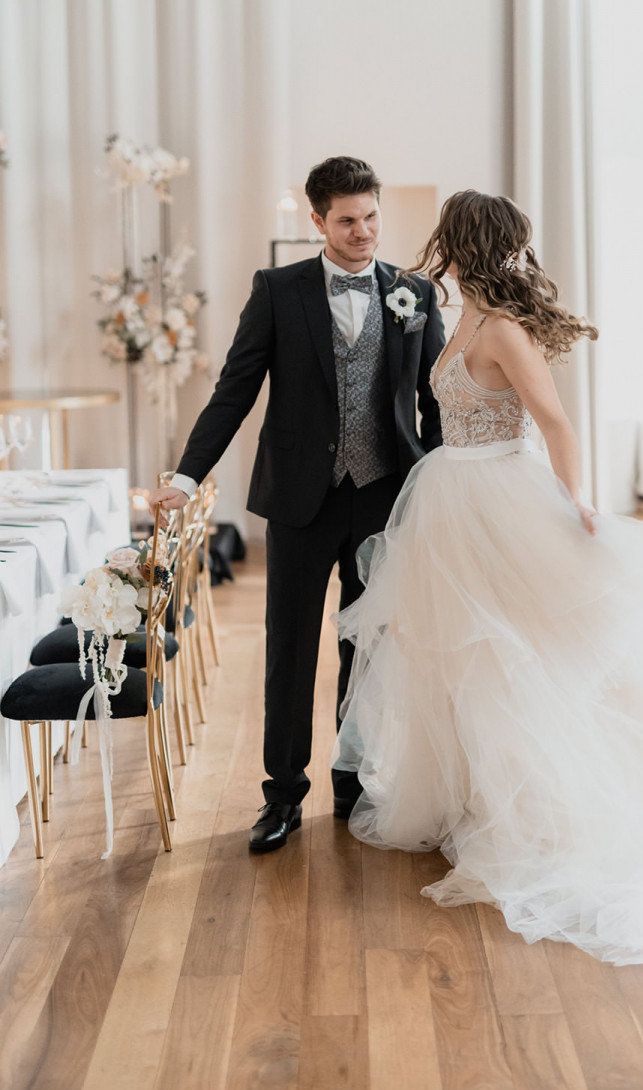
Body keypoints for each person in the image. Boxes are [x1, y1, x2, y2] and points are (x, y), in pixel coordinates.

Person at [333, 189, 643, 969]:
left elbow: (555, 421)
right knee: (457, 664)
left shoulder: (501, 327)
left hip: (498, 499)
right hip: (449, 500)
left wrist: (576, 500)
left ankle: (528, 817)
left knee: (511, 662)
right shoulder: (464, 315)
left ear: (463, 243)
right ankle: (474, 803)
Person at [148, 156, 445, 852]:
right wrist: (187, 478)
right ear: (318, 221)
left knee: (365, 647)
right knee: (290, 649)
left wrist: (439, 480)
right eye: (347, 221)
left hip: (384, 497)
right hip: (298, 500)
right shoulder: (278, 290)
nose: (363, 231)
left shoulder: (414, 293)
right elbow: (234, 390)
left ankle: (351, 781)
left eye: (371, 217)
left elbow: (435, 398)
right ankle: (281, 795)